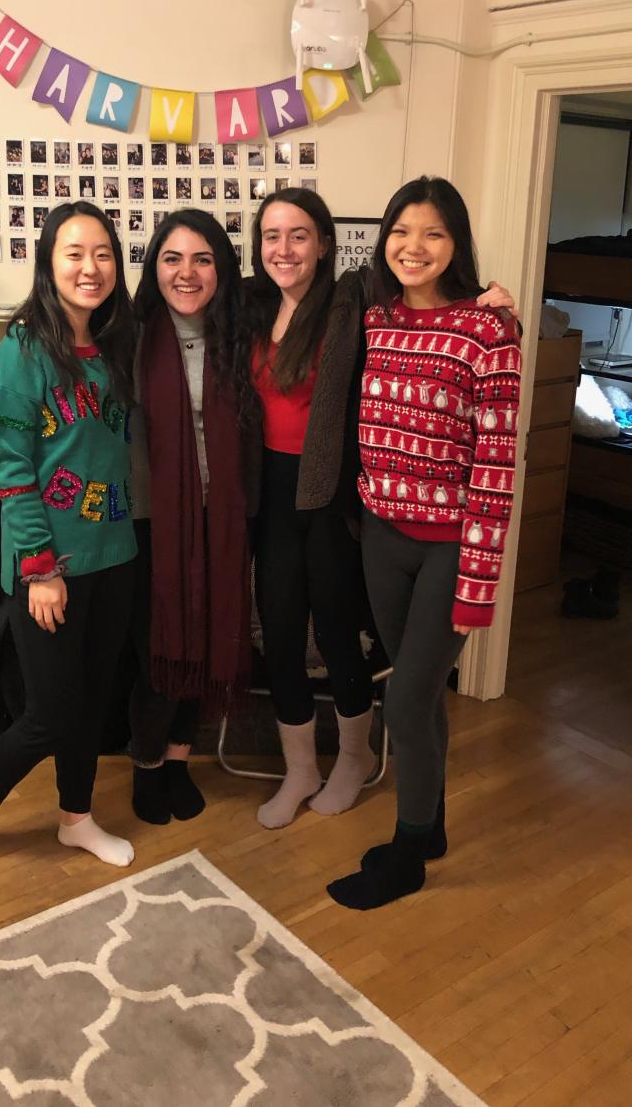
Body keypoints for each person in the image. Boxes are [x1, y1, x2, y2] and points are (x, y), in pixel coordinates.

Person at [246, 187, 516, 831]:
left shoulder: (357, 300)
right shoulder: (249, 305)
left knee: (342, 635)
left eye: (300, 235)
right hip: (272, 495)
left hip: (336, 497)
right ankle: (302, 769)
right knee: (281, 635)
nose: (285, 250)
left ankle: (355, 763)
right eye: (272, 237)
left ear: (326, 243)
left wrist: (501, 309)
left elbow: (458, 325)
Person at [326, 177, 521, 911]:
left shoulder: (487, 332)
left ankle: (407, 853)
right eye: (401, 230)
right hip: (382, 536)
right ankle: (431, 823)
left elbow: (497, 466)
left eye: (433, 233)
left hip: (448, 548)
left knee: (405, 701)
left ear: (455, 245)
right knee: (417, 689)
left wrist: (477, 582)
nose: (414, 246)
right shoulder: (374, 320)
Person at [0, 201, 139, 867]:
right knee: (49, 715)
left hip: (114, 555)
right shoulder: (21, 354)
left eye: (103, 253)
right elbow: (12, 474)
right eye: (75, 253)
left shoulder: (113, 346)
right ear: (48, 264)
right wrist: (39, 569)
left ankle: (75, 818)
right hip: (48, 570)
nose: (91, 267)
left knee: (89, 704)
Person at [127, 209, 258, 824]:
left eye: (202, 259)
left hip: (221, 518)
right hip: (151, 523)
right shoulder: (126, 335)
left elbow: (335, 294)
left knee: (205, 642)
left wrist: (479, 295)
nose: (186, 272)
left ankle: (180, 760)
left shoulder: (242, 331)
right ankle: (148, 766)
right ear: (154, 268)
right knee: (163, 648)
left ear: (222, 270)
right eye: (172, 258)